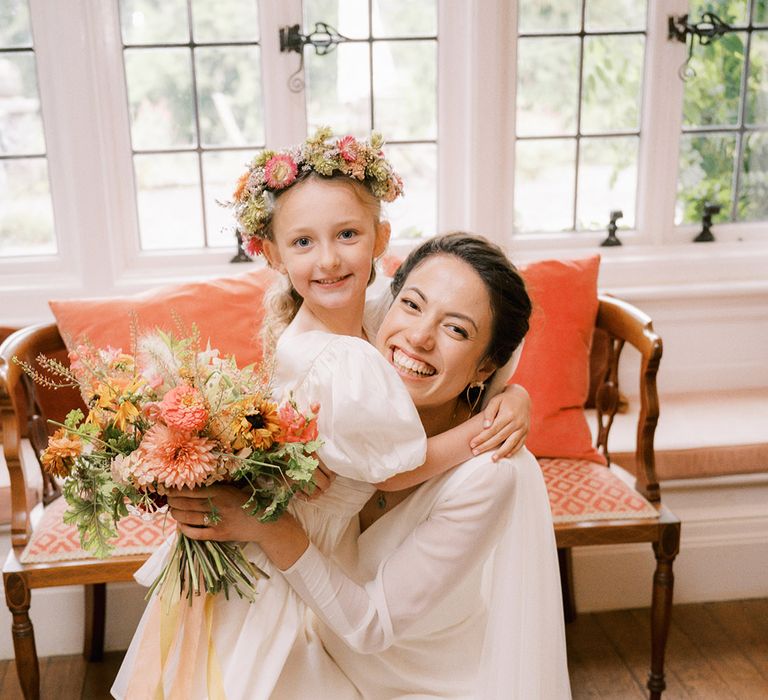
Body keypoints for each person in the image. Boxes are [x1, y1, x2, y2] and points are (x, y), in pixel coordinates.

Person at [112, 133, 531, 698]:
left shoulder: (370, 316)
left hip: (313, 591)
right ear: (273, 253)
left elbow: (489, 343)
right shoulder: (340, 354)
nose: (329, 259)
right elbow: (387, 472)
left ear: (381, 242)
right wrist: (480, 429)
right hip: (274, 572)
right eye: (304, 241)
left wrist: (515, 396)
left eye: (348, 235)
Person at [169, 233, 572, 699]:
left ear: (486, 368)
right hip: (326, 656)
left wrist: (268, 526)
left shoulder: (488, 473)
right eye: (413, 305)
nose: (419, 337)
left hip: (423, 687)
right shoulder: (343, 393)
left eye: (456, 330)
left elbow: (370, 626)